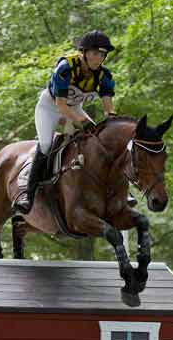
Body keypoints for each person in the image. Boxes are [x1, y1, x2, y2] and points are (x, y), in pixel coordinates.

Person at [14, 30, 117, 214]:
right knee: (46, 144)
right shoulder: (66, 68)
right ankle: (28, 195)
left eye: (102, 54)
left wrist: (112, 123)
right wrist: (80, 121)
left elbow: (109, 108)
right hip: (50, 107)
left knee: (99, 141)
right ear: (83, 53)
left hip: (75, 107)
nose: (98, 59)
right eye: (94, 53)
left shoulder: (104, 75)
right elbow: (60, 105)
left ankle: (114, 189)